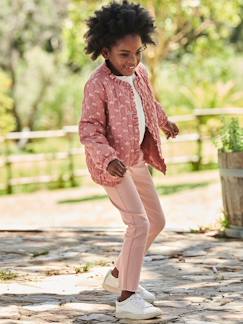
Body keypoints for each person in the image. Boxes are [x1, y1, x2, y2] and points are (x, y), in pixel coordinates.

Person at [79, 0, 179, 320]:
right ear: (105, 51)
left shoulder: (140, 74)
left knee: (156, 221)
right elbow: (89, 130)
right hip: (112, 165)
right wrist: (107, 159)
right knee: (138, 223)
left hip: (135, 158)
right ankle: (127, 299)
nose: (133, 61)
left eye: (138, 53)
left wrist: (164, 122)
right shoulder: (98, 85)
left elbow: (148, 104)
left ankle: (120, 275)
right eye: (125, 54)